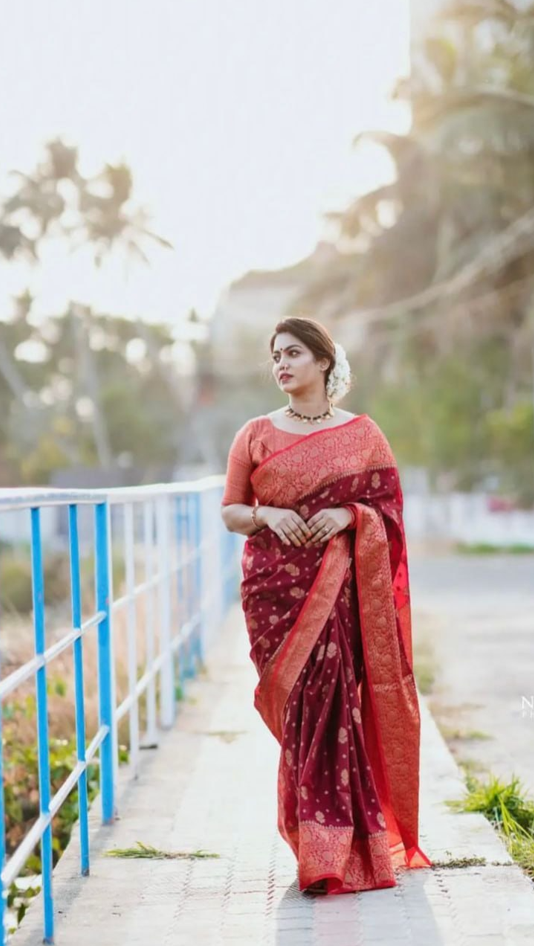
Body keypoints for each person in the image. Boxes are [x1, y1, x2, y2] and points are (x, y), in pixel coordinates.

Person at [220, 317, 432, 896]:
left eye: (293, 354)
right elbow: (232, 511)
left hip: (341, 591)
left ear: (323, 362)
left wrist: (350, 515)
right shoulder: (255, 434)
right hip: (275, 593)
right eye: (275, 356)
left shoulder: (363, 434)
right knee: (302, 719)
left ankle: (330, 854)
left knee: (334, 712)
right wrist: (269, 514)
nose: (281, 365)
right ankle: (318, 840)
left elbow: (388, 512)